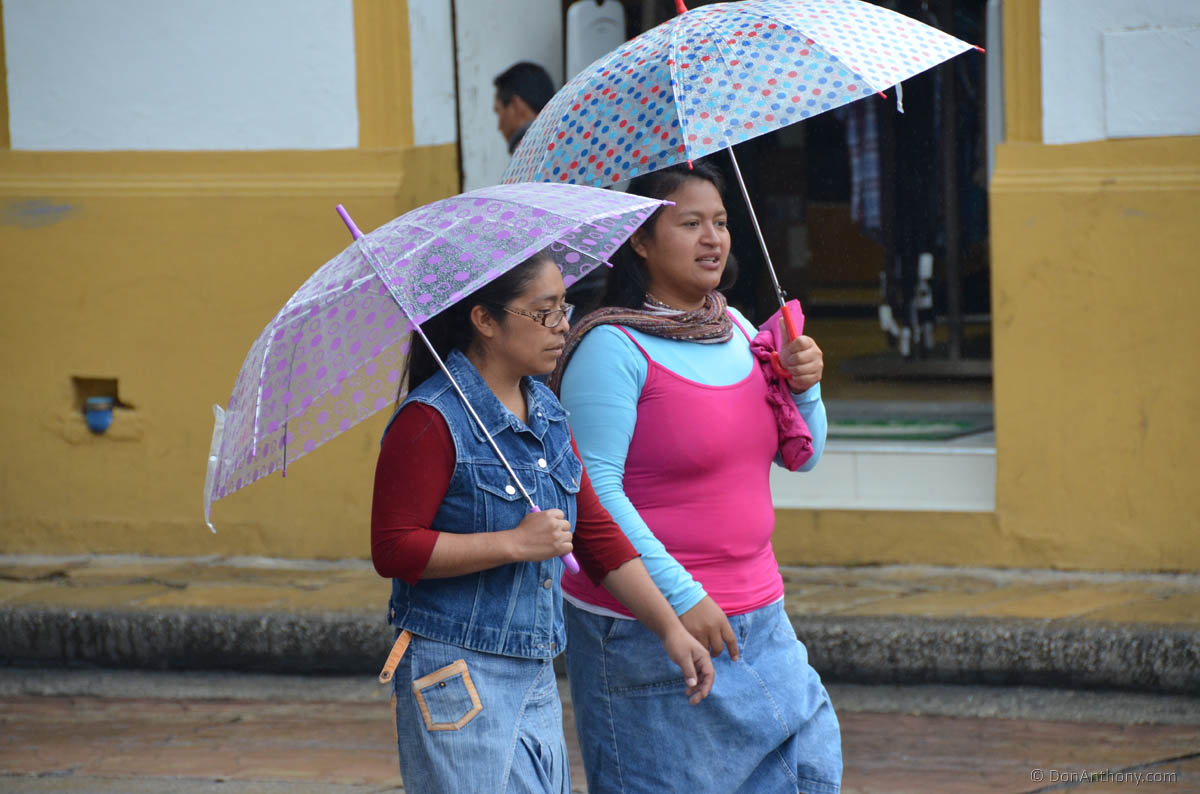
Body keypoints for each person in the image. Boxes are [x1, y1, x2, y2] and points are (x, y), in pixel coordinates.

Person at [371, 250, 714, 794]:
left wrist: (670, 627)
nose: (562, 326)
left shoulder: (547, 410)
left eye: (565, 307)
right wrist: (512, 544)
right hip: (456, 669)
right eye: (544, 311)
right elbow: (393, 548)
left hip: (535, 668)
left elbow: (595, 534)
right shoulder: (430, 420)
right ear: (485, 320)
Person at [549, 161, 843, 793]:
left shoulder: (736, 328)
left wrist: (806, 388)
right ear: (640, 240)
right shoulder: (610, 347)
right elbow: (593, 490)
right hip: (649, 630)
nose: (713, 239)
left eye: (721, 222)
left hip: (763, 616)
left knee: (808, 774)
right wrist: (680, 598)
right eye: (690, 224)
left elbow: (803, 454)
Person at [493, 61, 555, 154]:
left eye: (499, 112)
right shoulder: (561, 143)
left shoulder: (525, 155)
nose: (499, 127)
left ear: (516, 105)